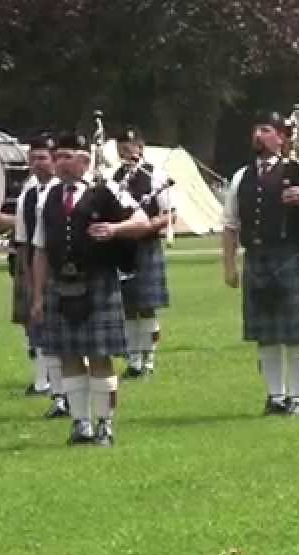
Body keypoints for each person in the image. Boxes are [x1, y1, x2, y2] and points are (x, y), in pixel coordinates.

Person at [30, 132, 152, 448]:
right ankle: (80, 423)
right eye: (58, 157)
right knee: (69, 356)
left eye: (67, 156)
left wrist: (115, 228)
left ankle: (104, 425)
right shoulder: (47, 197)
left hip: (98, 281)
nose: (60, 163)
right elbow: (40, 250)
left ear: (84, 160)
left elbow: (141, 221)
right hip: (61, 284)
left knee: (99, 357)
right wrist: (38, 296)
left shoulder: (106, 190)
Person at [222, 111, 299, 417]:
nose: (258, 135)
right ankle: (275, 397)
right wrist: (229, 266)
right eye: (255, 129)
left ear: (281, 137)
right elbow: (230, 225)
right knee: (266, 336)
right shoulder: (240, 177)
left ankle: (296, 398)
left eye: (265, 130)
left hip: (290, 257)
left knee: (297, 337)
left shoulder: (298, 169)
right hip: (256, 260)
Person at [0, 134, 66, 414]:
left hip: (61, 264)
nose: (35, 163)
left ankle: (64, 391)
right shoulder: (29, 192)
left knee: (60, 332)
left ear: (54, 160)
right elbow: (21, 235)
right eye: (32, 158)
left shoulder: (62, 190)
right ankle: (51, 388)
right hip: (32, 262)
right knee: (38, 329)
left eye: (42, 158)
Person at [113, 128, 173, 379]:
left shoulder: (156, 175)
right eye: (122, 147)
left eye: (131, 146)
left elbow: (169, 214)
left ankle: (148, 359)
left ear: (141, 147)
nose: (126, 151)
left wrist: (147, 226)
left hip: (146, 246)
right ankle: (134, 359)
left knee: (147, 306)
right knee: (127, 306)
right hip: (122, 248)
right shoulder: (113, 177)